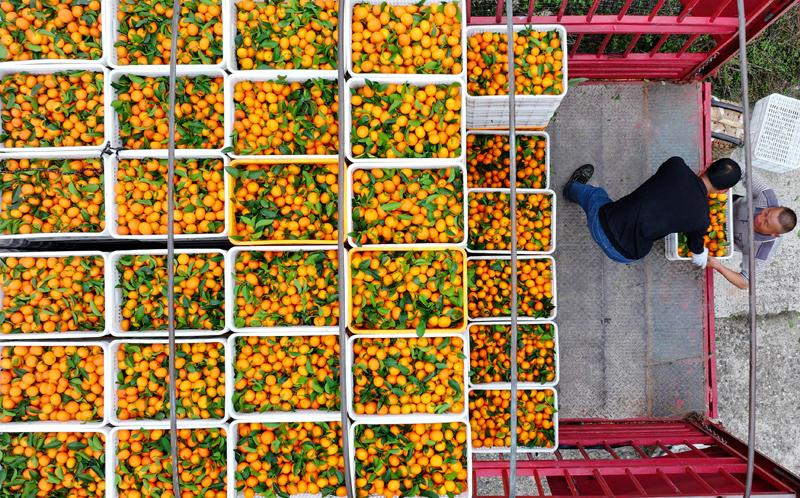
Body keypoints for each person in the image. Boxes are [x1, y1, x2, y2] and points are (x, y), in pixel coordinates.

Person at [563, 157, 742, 265]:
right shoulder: (701, 219)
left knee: (595, 195)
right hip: (626, 254)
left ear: (707, 166)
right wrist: (700, 254)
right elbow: (695, 244)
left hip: (603, 223)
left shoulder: (676, 165)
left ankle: (571, 187)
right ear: (722, 192)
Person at [707, 172, 796, 289]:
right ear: (775, 207)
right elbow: (742, 170)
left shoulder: (762, 250)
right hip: (718, 204)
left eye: (765, 223)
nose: (759, 218)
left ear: (774, 234)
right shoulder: (766, 197)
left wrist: (718, 266)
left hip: (716, 236)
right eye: (766, 213)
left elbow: (746, 282)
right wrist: (724, 179)